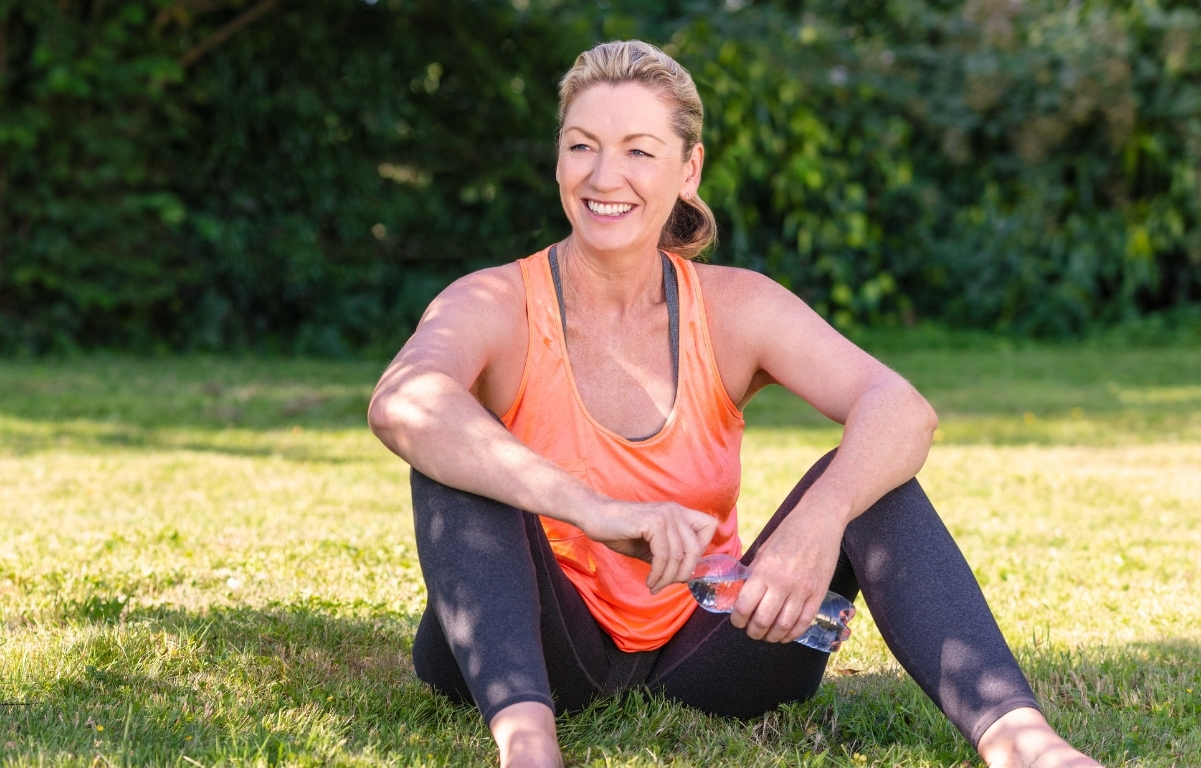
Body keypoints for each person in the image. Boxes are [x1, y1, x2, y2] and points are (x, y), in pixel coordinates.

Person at [368, 40, 1100, 768]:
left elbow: (901, 409)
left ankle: (1025, 745)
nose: (604, 175)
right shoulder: (496, 300)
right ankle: (530, 748)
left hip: (708, 651)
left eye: (639, 151)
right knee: (453, 456)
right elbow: (403, 401)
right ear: (558, 158)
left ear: (689, 170)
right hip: (531, 645)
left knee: (872, 484)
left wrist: (818, 521)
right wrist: (593, 509)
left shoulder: (733, 308)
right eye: (582, 145)